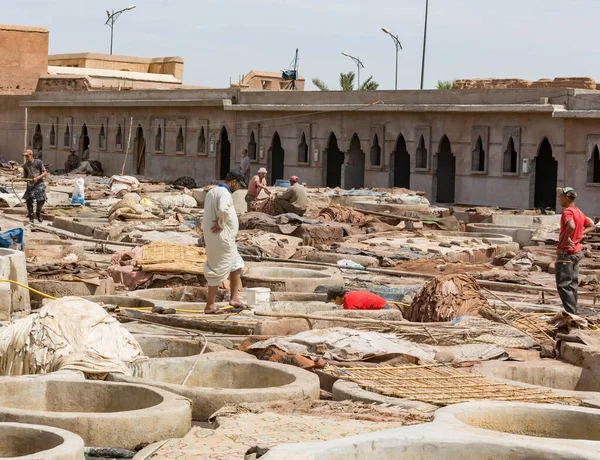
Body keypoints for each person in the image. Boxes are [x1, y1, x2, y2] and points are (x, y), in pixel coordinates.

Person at [202, 169, 248, 314]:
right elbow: (223, 208)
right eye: (238, 185)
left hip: (221, 239)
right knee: (218, 269)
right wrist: (221, 222)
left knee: (237, 265)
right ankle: (210, 306)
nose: (238, 188)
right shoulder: (224, 193)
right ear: (233, 181)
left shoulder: (212, 192)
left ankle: (234, 298)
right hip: (222, 238)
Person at [555, 187, 596, 314]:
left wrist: (567, 237)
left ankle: (570, 315)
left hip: (566, 253)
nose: (558, 199)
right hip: (576, 252)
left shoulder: (567, 212)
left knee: (563, 285)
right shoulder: (578, 211)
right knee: (572, 285)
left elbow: (571, 225)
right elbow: (592, 225)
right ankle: (573, 313)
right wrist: (579, 234)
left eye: (560, 196)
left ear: (566, 198)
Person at [22, 149, 48, 224]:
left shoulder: (38, 162)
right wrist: (23, 179)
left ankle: (38, 213)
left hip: (39, 184)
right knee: (29, 200)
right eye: (25, 156)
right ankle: (31, 217)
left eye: (27, 156)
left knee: (41, 200)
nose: (26, 158)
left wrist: (37, 178)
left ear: (31, 155)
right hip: (30, 185)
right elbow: (25, 177)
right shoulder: (25, 165)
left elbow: (45, 173)